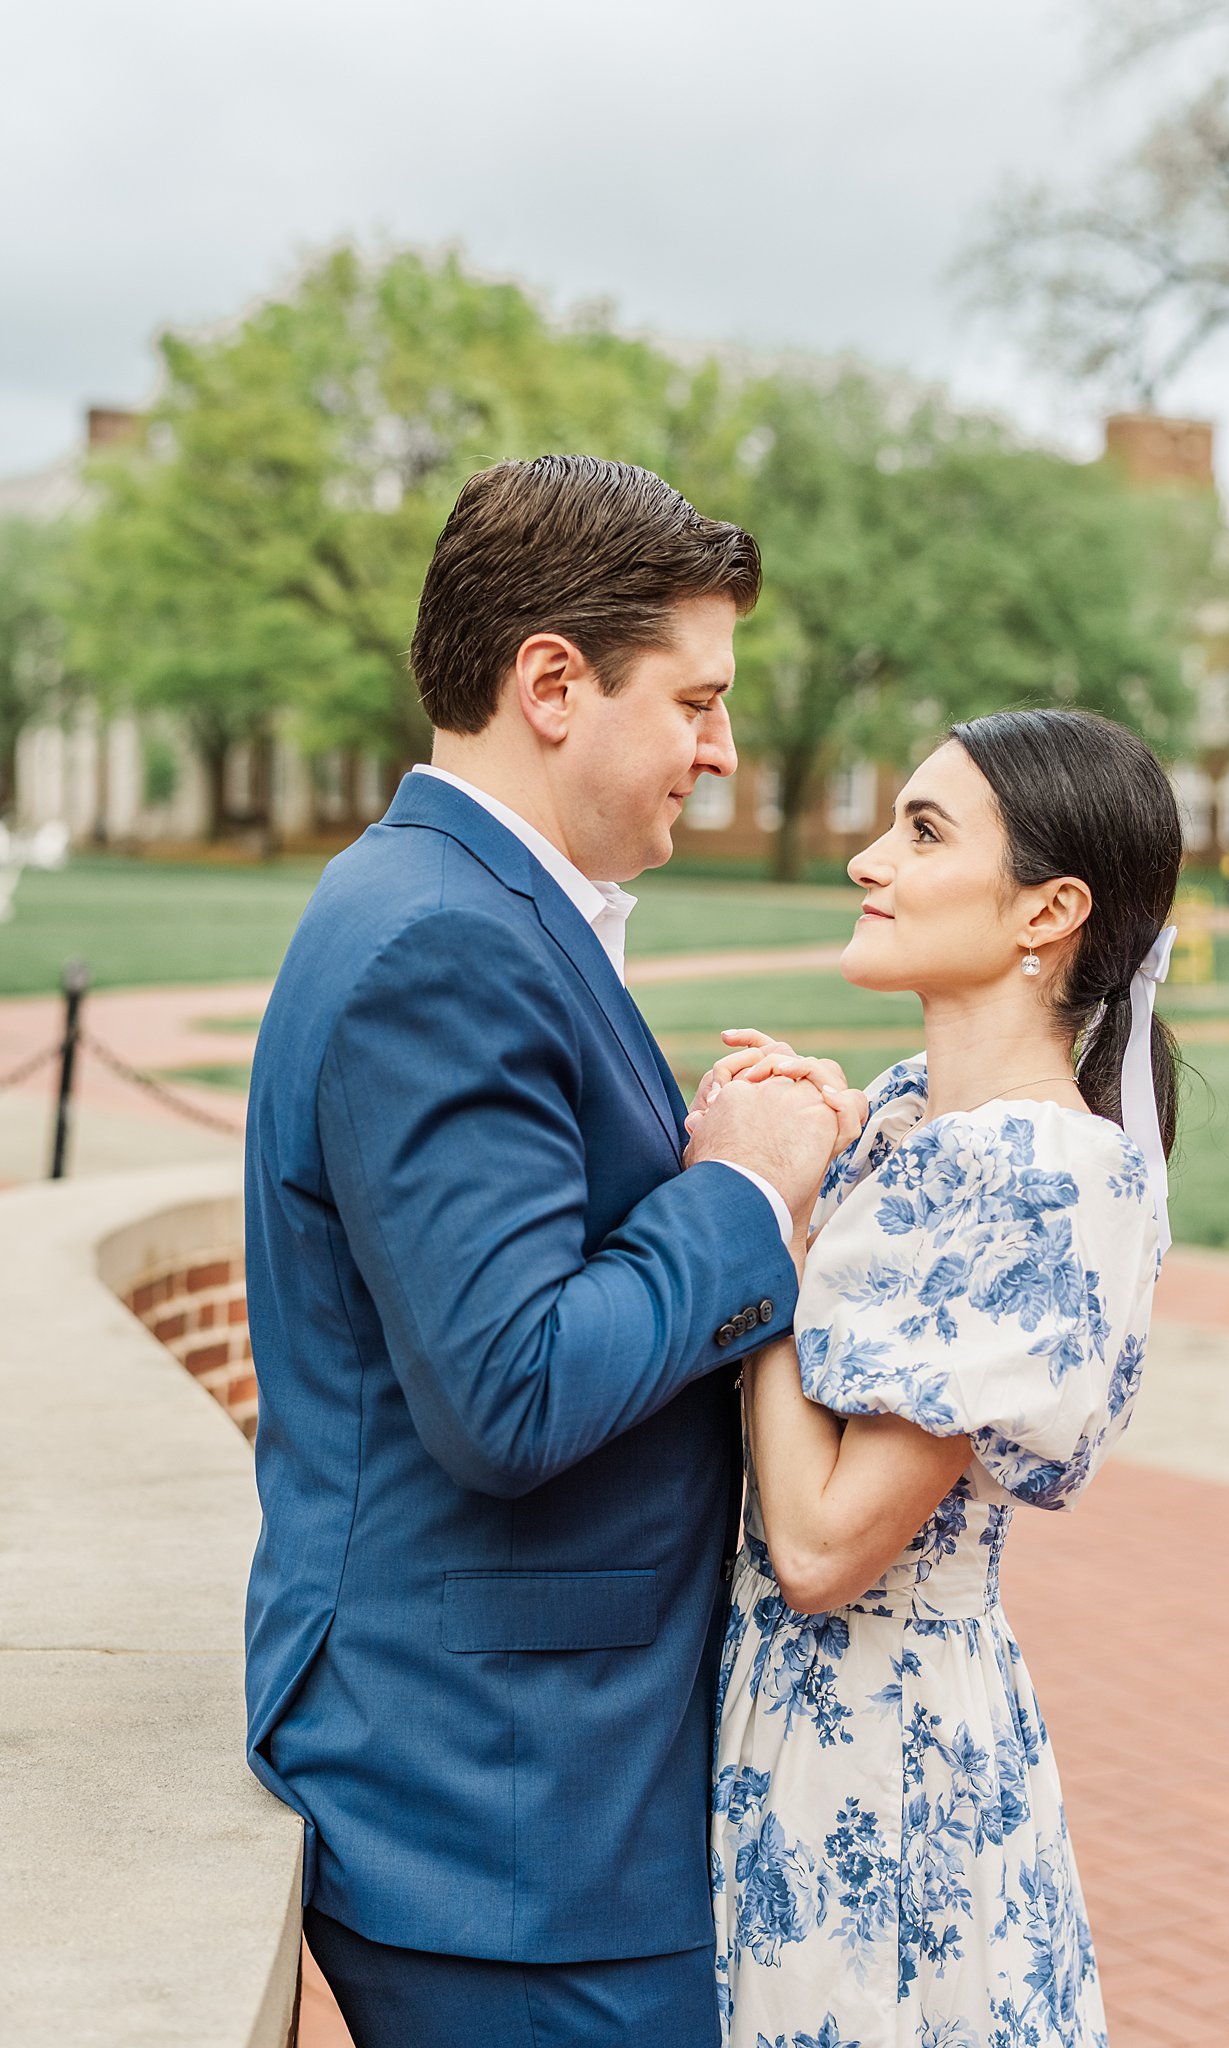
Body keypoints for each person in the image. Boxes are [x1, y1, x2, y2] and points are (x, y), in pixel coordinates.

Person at [243, 455, 863, 2048]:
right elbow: (508, 1391)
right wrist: (743, 1191)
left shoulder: (466, 902)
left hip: (532, 1775)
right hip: (507, 1806)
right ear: (551, 684)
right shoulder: (444, 938)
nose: (721, 753)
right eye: (697, 701)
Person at [704, 707, 1182, 2048]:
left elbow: (819, 1547)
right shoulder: (919, 1117)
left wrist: (767, 1221)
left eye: (920, 832)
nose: (869, 860)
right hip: (793, 1715)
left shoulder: (1031, 1177)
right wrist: (827, 1153)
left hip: (873, 1739)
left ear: (1048, 912)